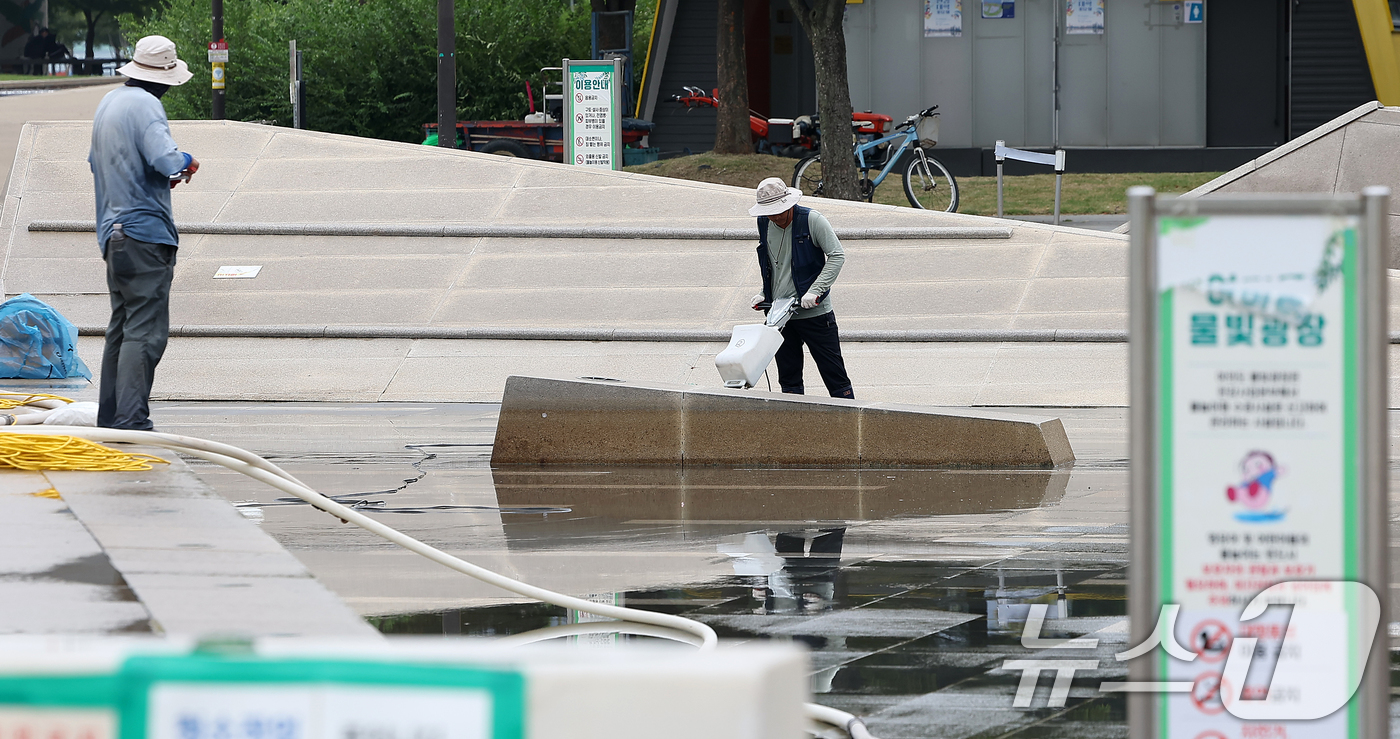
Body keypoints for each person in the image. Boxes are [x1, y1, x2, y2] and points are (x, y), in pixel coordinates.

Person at [89, 35, 197, 430]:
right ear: (163, 77)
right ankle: (132, 422)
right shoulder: (147, 105)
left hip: (112, 234)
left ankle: (111, 418)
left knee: (121, 327)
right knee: (145, 332)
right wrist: (187, 160)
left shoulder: (110, 102)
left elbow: (104, 164)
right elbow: (165, 158)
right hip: (144, 234)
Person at [747, 177, 854, 399]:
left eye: (778, 211)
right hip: (780, 315)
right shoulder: (765, 223)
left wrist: (816, 290)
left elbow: (837, 255)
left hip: (815, 313)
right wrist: (764, 293)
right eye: (768, 212)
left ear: (789, 204)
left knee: (835, 375)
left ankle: (848, 424)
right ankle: (793, 427)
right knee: (788, 378)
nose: (774, 216)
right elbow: (774, 263)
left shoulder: (812, 220)